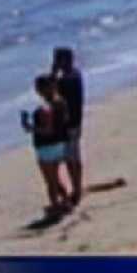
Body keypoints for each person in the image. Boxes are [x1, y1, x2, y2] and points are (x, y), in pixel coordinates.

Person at [22, 74, 72, 219]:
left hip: (46, 147)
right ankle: (65, 201)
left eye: (38, 88)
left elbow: (47, 129)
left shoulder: (46, 108)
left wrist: (30, 127)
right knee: (55, 177)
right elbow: (63, 122)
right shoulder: (61, 102)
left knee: (50, 181)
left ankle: (55, 206)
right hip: (59, 143)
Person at [51, 48, 86, 208]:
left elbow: (52, 92)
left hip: (68, 124)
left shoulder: (66, 80)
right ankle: (77, 188)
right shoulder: (76, 75)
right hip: (76, 121)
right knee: (74, 157)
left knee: (70, 159)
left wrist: (53, 72)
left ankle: (77, 190)